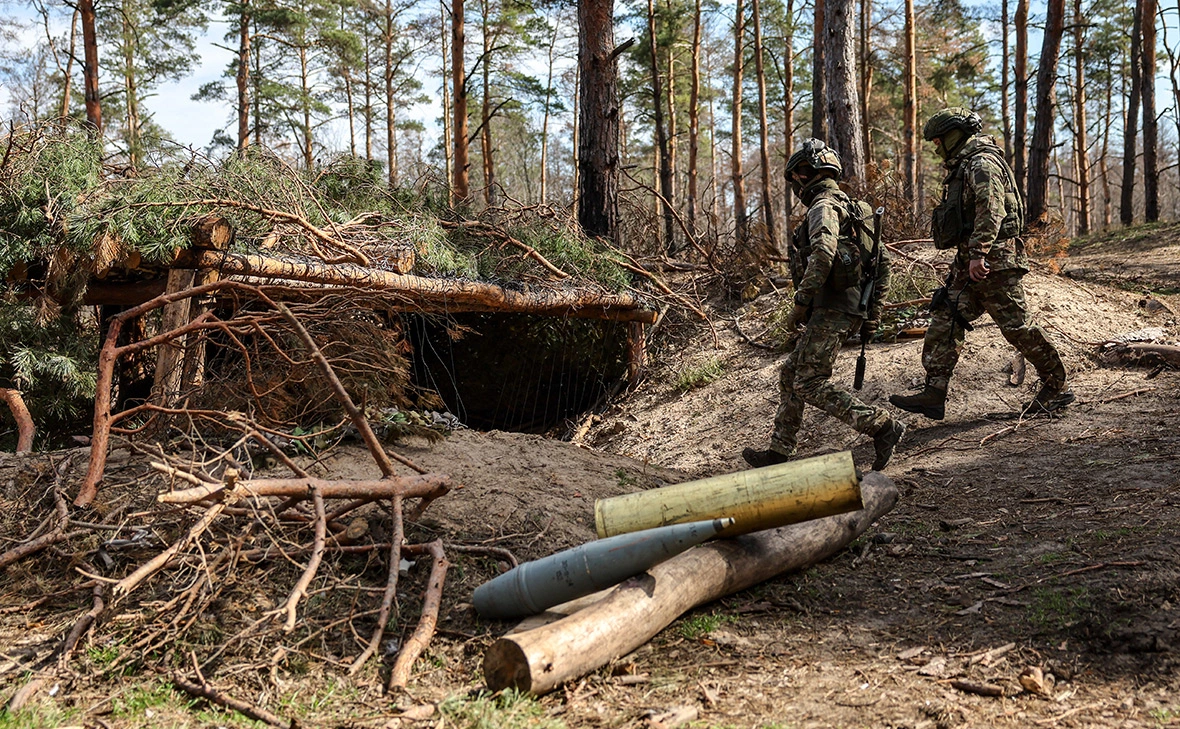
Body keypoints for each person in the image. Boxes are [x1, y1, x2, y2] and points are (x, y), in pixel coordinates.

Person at [889, 108, 1072, 420]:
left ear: (954, 135)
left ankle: (1054, 383)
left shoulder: (981, 162)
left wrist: (979, 254)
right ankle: (934, 392)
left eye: (938, 139)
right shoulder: (966, 163)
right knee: (946, 317)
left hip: (994, 262)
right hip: (972, 262)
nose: (935, 146)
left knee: (1017, 328)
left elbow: (992, 209)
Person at [743, 139, 905, 471]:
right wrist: (872, 315)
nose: (795, 184)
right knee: (791, 373)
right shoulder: (858, 209)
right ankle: (779, 449)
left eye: (796, 176)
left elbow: (823, 253)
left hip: (832, 307)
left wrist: (801, 301)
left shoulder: (823, 208)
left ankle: (881, 426)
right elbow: (883, 264)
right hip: (847, 308)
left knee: (808, 382)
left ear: (807, 175)